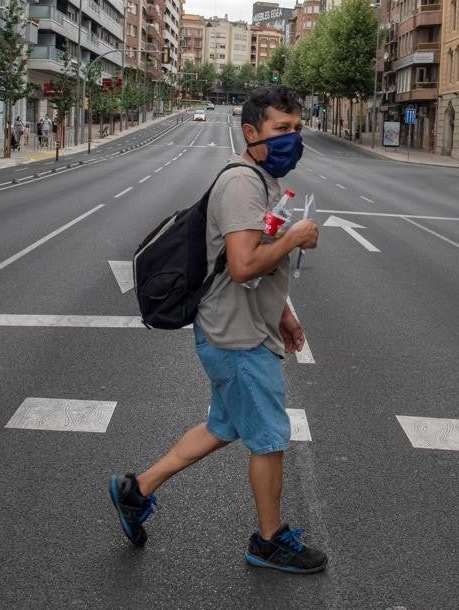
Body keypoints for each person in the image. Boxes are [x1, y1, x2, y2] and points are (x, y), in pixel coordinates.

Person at [109, 85, 326, 575]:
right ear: (251, 133)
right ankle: (269, 541)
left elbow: (250, 264)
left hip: (240, 327)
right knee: (269, 438)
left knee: (222, 427)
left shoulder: (261, 180)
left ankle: (136, 491)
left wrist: (284, 313)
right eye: (281, 129)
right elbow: (244, 265)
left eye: (297, 128)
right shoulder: (243, 183)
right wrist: (294, 238)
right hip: (237, 335)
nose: (293, 138)